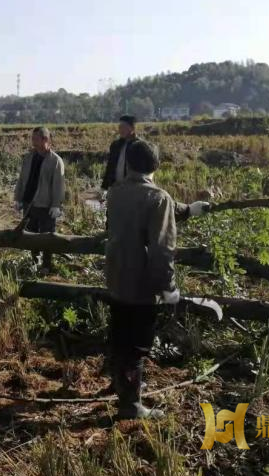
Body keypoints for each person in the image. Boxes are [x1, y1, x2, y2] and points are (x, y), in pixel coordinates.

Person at [105, 139, 209, 419]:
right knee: (137, 345)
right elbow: (162, 249)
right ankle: (131, 406)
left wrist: (189, 209)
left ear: (128, 164)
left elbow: (147, 208)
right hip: (140, 283)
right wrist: (168, 288)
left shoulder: (115, 192)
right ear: (157, 165)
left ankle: (122, 386)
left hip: (116, 276)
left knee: (121, 336)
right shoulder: (159, 198)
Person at [13, 127, 65, 272]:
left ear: (45, 140)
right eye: (32, 139)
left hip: (45, 205)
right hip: (29, 203)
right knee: (31, 234)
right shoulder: (29, 158)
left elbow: (58, 185)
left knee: (47, 236)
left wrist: (56, 205)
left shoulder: (55, 161)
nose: (33, 142)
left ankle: (46, 265)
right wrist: (18, 198)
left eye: (36, 139)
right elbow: (22, 179)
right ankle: (35, 262)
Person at [100, 115, 139, 192]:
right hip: (115, 187)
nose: (120, 130)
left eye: (123, 127)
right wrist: (104, 187)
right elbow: (110, 166)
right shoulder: (115, 145)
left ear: (132, 128)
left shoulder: (139, 146)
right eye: (119, 127)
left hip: (132, 189)